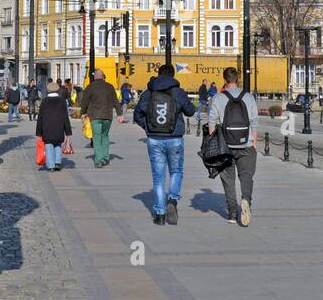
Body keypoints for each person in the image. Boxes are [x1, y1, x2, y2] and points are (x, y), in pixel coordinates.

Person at [134, 63, 196, 225]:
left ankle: (160, 215)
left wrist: (147, 127)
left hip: (154, 138)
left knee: (158, 177)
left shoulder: (149, 92)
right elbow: (191, 111)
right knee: (176, 171)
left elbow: (137, 114)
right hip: (175, 138)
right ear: (173, 76)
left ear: (159, 74)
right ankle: (173, 200)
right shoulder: (178, 92)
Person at [208, 67, 258, 226]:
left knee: (228, 180)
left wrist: (213, 142)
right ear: (237, 79)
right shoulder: (249, 97)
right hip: (246, 143)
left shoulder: (218, 97)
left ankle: (231, 213)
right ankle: (246, 201)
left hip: (225, 146)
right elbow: (254, 122)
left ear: (224, 79)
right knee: (246, 176)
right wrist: (254, 143)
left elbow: (212, 123)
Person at [79, 69, 121, 167]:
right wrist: (120, 114)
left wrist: (83, 113)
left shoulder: (90, 87)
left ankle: (98, 160)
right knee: (105, 136)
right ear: (103, 76)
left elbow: (84, 101)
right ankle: (105, 157)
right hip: (107, 116)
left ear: (94, 77)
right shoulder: (110, 87)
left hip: (95, 116)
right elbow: (116, 101)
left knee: (97, 137)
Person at [35, 81, 71, 172]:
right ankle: (57, 163)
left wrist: (38, 132)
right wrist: (68, 132)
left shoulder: (44, 101)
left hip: (47, 128)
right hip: (59, 127)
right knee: (58, 144)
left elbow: (40, 117)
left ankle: (51, 165)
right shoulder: (62, 101)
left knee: (48, 145)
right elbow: (65, 117)